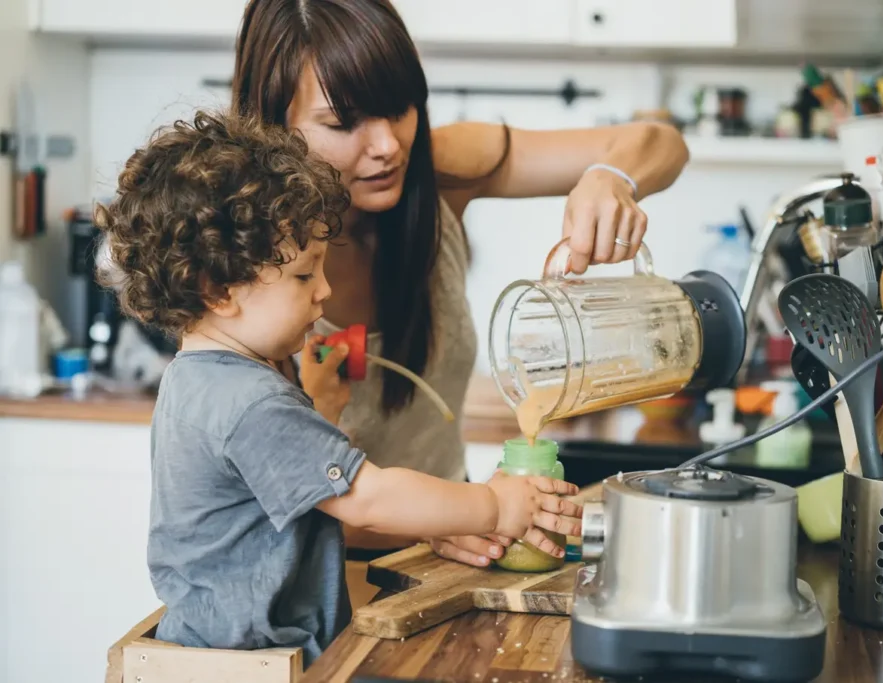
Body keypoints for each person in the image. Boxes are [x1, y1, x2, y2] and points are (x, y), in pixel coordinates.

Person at [95, 109, 582, 666]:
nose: (325, 291)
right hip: (253, 667)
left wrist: (321, 404)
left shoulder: (196, 379)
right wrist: (493, 506)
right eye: (305, 274)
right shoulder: (250, 402)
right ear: (218, 290)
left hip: (219, 653)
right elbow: (367, 500)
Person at [232, 0, 689, 567]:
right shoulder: (239, 270)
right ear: (272, 125)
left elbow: (662, 144)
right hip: (326, 585)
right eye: (343, 122)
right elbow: (272, 506)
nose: (387, 146)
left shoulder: (440, 170)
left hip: (459, 556)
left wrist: (611, 178)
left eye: (399, 107)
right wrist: (451, 520)